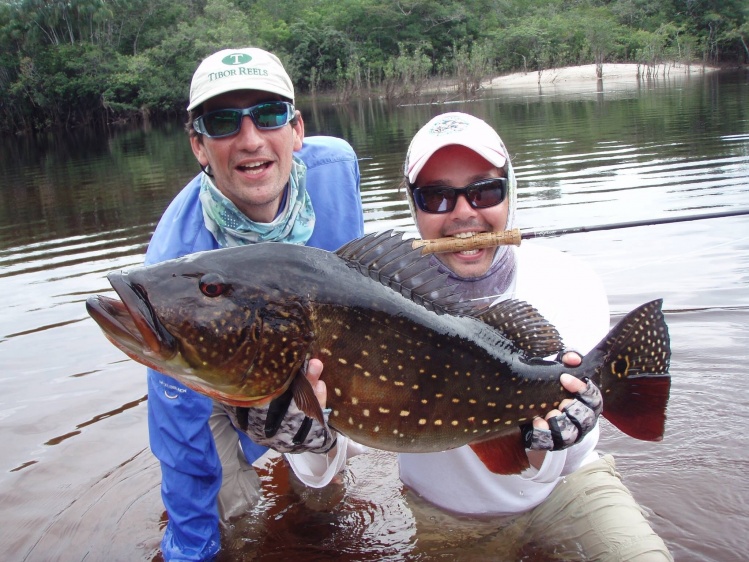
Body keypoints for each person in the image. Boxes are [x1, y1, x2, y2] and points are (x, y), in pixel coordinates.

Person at [297, 112, 672, 560]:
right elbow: (331, 461)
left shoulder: (571, 281)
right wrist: (302, 436)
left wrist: (559, 436)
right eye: (436, 197)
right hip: (448, 518)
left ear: (510, 191)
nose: (463, 213)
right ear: (412, 205)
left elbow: (566, 462)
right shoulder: (368, 304)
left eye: (484, 191)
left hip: (572, 490)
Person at [144, 47, 364, 561]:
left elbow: (359, 294)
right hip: (216, 373)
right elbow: (178, 424)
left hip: (309, 354)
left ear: (297, 129)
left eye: (268, 114)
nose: (250, 139)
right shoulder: (174, 263)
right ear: (198, 145)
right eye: (223, 122)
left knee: (326, 496)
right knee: (231, 520)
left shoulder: (337, 171)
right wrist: (191, 548)